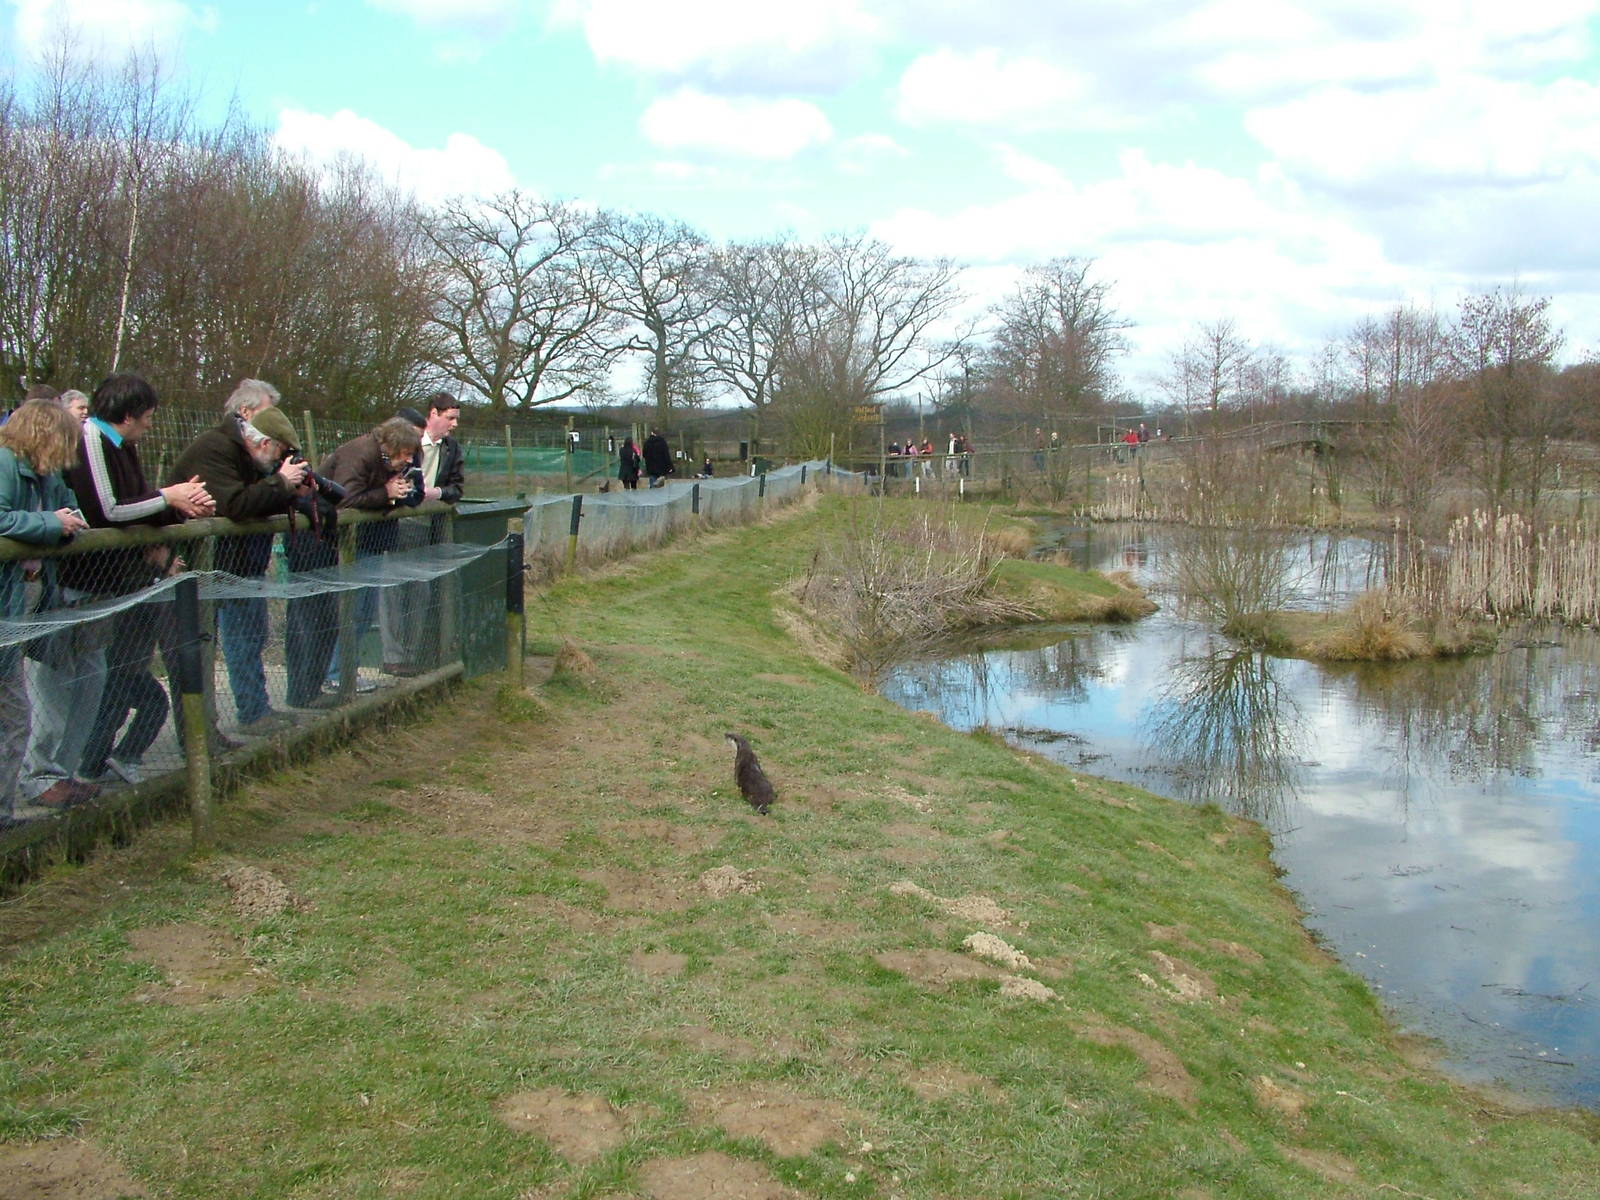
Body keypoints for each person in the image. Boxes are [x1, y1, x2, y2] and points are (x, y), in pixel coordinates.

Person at [23, 375, 213, 807]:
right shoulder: (91, 441)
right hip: (75, 586)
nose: (148, 427)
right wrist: (169, 496)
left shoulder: (123, 447)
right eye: (146, 419)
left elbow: (137, 506)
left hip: (107, 586)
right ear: (127, 415)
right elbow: (108, 510)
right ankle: (39, 776)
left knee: (91, 683)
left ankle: (64, 774)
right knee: (56, 684)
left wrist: (180, 507)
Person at [164, 380, 309, 737]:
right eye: (267, 412)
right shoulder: (215, 448)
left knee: (250, 638)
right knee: (202, 650)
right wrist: (279, 483)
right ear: (246, 414)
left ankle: (253, 710)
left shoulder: (251, 457)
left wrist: (292, 490)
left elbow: (256, 501)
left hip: (244, 565)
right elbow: (236, 505)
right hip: (205, 567)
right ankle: (201, 733)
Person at [0, 401, 90, 818]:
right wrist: (53, 525)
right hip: (7, 604)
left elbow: (70, 510)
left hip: (23, 606)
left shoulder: (46, 476)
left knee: (15, 717)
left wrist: (66, 522)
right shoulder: (4, 465)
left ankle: (3, 814)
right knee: (15, 715)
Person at [318, 417, 421, 691]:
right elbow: (345, 498)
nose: (409, 460)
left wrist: (400, 494)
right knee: (351, 609)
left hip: (370, 542)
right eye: (407, 454)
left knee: (363, 612)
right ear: (393, 446)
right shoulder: (360, 454)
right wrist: (385, 493)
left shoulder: (387, 460)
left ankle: (344, 670)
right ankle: (336, 672)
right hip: (341, 543)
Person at [380, 393, 463, 677]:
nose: (453, 425)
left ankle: (410, 656)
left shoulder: (452, 449)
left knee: (420, 591)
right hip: (394, 525)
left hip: (426, 528)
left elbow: (457, 488)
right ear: (433, 414)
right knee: (391, 591)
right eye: (449, 418)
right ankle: (392, 656)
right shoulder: (406, 443)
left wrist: (434, 493)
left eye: (455, 419)